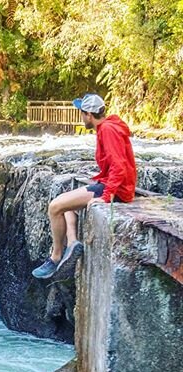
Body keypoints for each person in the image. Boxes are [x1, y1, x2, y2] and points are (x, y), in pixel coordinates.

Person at [32, 93, 136, 279]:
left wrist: (106, 197)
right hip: (111, 184)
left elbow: (119, 166)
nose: (81, 117)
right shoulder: (108, 126)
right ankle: (72, 243)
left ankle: (55, 258)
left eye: (81, 113)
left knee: (55, 207)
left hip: (116, 190)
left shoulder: (107, 130)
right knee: (66, 203)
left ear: (89, 114)